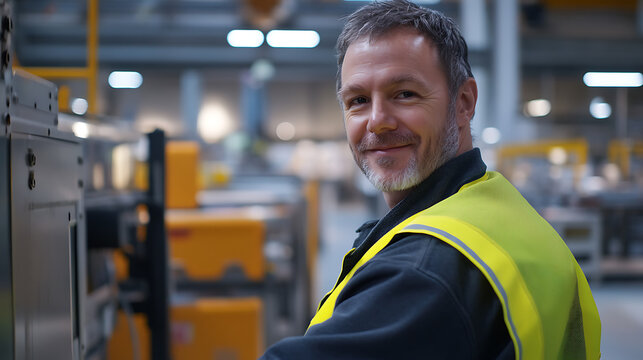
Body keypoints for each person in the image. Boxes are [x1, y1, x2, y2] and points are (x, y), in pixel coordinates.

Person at [261, 1, 601, 359]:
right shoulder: (501, 210)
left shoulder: (425, 272)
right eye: (358, 100)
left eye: (404, 94)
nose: (377, 121)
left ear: (464, 103)